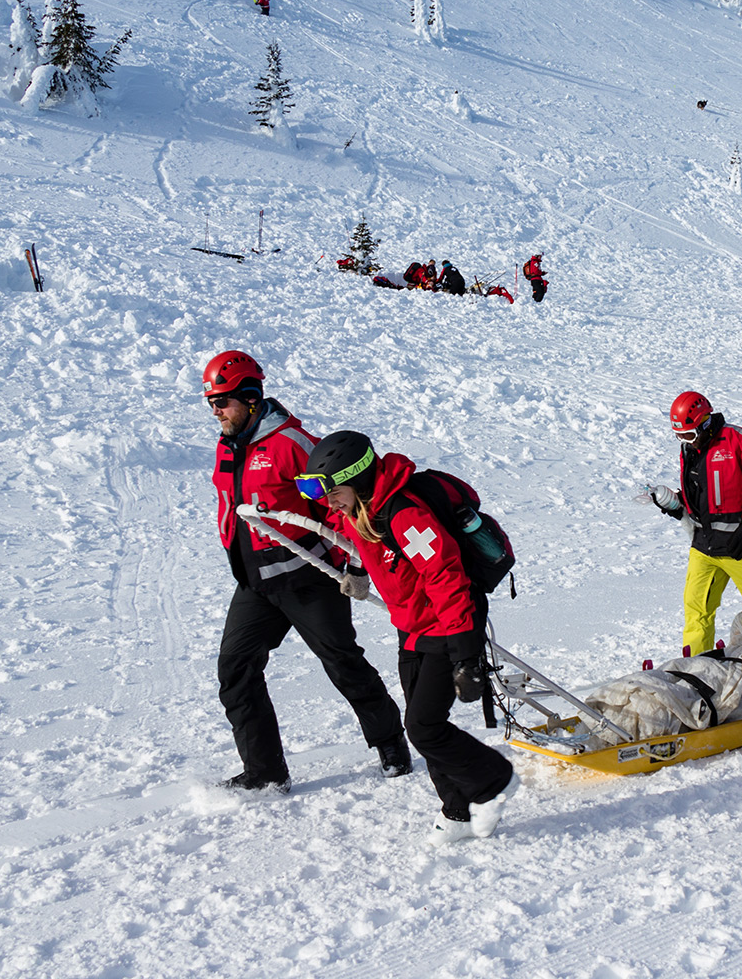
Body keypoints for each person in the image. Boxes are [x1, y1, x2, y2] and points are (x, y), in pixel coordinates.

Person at [296, 431, 519, 844]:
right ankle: (457, 813)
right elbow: (351, 533)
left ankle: (494, 780)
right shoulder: (361, 508)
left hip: (448, 622)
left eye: (333, 492)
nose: (328, 503)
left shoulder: (403, 514)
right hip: (413, 625)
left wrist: (466, 657)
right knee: (422, 721)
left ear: (358, 480)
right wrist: (359, 572)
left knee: (424, 728)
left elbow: (446, 577)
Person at [202, 350, 410, 792]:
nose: (216, 412)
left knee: (342, 662)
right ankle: (265, 772)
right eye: (211, 403)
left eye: (223, 402)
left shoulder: (291, 443)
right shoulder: (228, 445)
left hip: (308, 577)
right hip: (256, 583)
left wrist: (357, 566)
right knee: (235, 671)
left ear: (252, 397)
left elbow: (341, 507)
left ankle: (391, 741)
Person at [647, 391, 742, 656]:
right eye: (680, 436)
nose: (685, 441)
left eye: (689, 435)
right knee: (696, 610)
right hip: (704, 546)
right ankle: (698, 669)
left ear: (706, 423)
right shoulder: (690, 450)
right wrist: (677, 504)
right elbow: (703, 495)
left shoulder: (739, 441)